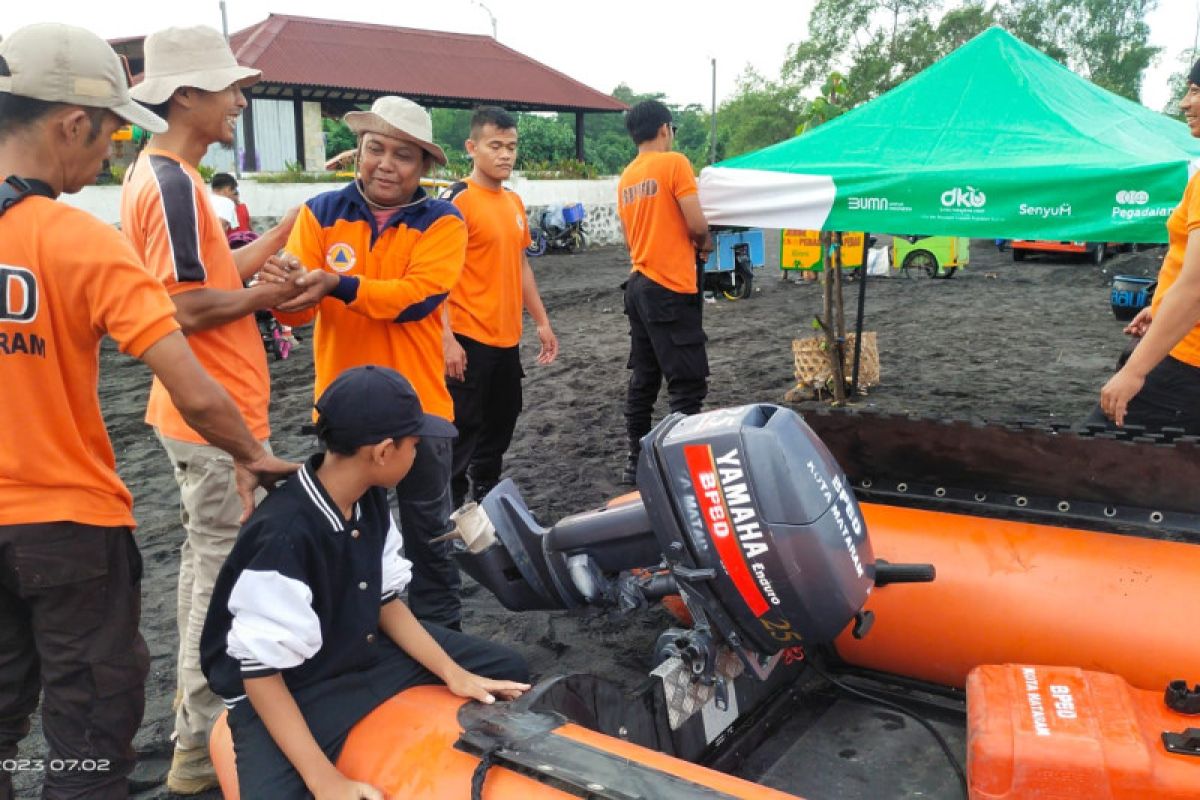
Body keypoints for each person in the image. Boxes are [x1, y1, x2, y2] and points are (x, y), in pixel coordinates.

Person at [0, 23, 296, 800]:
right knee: (88, 725)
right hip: (66, 522)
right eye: (109, 132)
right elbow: (192, 379)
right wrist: (251, 455)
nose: (112, 151)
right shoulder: (76, 238)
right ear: (71, 123)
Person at [200, 365, 530, 799]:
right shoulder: (284, 535)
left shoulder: (364, 494)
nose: (418, 452)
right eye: (415, 444)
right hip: (294, 689)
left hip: (360, 649)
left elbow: (385, 601)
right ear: (383, 451)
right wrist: (325, 780)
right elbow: (260, 674)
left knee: (507, 672)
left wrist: (455, 674)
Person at [119, 25, 305, 794]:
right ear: (186, 96)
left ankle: (193, 734)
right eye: (229, 88)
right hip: (212, 414)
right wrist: (269, 295)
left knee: (208, 568)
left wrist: (271, 247)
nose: (240, 100)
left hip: (202, 410)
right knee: (217, 577)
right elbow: (189, 307)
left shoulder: (172, 176)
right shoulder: (170, 182)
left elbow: (211, 274)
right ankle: (197, 747)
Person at [275, 96, 469, 629]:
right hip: (344, 407)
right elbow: (297, 313)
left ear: (424, 166)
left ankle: (441, 633)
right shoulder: (320, 213)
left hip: (420, 408)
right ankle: (357, 634)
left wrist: (337, 283)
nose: (386, 163)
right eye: (374, 148)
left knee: (430, 530)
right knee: (346, 528)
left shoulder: (443, 221)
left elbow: (418, 298)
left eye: (403, 155)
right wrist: (281, 292)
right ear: (357, 153)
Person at [441, 106, 558, 509]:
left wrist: (541, 321)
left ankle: (485, 498)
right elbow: (435, 274)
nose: (505, 155)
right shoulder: (457, 200)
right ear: (472, 147)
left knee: (501, 422)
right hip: (467, 338)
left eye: (511, 147)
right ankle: (453, 515)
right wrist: (445, 339)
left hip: (506, 339)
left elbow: (521, 263)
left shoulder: (513, 201)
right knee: (461, 429)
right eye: (495, 146)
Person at [1097, 60, 1200, 433]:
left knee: (1090, 462)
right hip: (1183, 343)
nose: (1185, 104)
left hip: (1189, 360)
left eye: (1196, 91)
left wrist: (1136, 371)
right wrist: (1160, 308)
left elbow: (1197, 287)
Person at [616, 100, 713, 485]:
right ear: (664, 129)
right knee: (687, 382)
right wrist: (703, 241)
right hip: (671, 286)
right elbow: (696, 223)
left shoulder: (626, 178)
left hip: (638, 283)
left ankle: (634, 460)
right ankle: (681, 467)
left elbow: (629, 238)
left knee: (645, 377)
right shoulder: (674, 164)